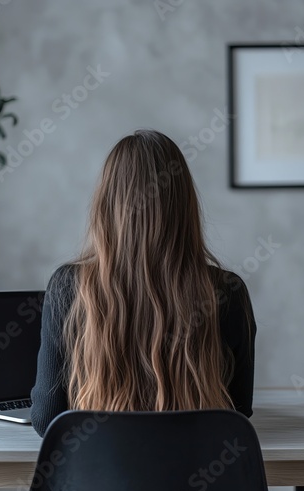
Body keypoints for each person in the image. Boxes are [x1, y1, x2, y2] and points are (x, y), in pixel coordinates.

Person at [30, 129, 257, 437]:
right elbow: (238, 413)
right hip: (200, 481)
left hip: (99, 483)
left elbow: (47, 421)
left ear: (107, 205)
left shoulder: (69, 286)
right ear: (184, 207)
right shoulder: (227, 292)